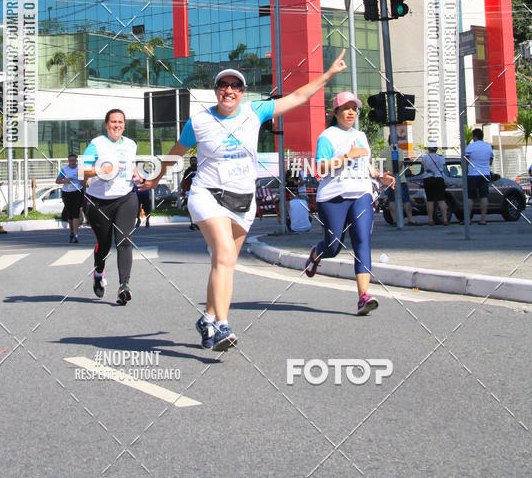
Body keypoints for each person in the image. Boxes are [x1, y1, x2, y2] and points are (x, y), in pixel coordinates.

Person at [145, 50, 349, 352]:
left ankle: (208, 317)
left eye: (235, 86)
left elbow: (297, 98)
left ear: (242, 92)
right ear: (216, 91)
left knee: (223, 262)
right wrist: (157, 177)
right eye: (223, 86)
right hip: (207, 194)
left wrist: (329, 74)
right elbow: (176, 151)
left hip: (243, 200)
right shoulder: (199, 122)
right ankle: (223, 326)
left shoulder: (255, 111)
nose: (229, 91)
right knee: (225, 254)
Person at [304, 91, 395, 316]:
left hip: (361, 194)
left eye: (354, 108)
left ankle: (363, 296)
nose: (351, 112)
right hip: (333, 196)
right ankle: (316, 254)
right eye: (346, 108)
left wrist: (378, 175)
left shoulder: (361, 136)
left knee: (362, 241)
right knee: (333, 246)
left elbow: (365, 164)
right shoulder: (327, 136)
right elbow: (321, 168)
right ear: (336, 112)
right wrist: (347, 157)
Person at [82, 109, 139, 305]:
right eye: (113, 122)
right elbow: (82, 170)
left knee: (123, 241)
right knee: (104, 245)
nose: (117, 125)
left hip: (125, 198)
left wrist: (137, 175)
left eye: (120, 122)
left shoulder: (131, 145)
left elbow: (132, 167)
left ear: (124, 125)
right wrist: (101, 170)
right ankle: (98, 272)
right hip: (99, 202)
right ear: (106, 125)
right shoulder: (97, 144)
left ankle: (124, 286)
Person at [465, 128, 493, 225]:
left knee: (470, 197)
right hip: (485, 174)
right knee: (484, 196)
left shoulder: (470, 147)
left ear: (474, 136)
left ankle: (468, 219)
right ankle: (483, 219)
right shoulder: (488, 147)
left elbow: (466, 161)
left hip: (473, 175)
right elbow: (490, 162)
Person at [56, 153, 83, 242]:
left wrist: (82, 180)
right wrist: (65, 180)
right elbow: (57, 181)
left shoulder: (80, 169)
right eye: (70, 161)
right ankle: (72, 231)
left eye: (74, 161)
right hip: (67, 193)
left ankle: (75, 234)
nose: (72, 162)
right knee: (70, 214)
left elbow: (84, 182)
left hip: (77, 191)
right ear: (68, 161)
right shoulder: (64, 169)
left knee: (76, 212)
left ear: (76, 161)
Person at [421, 143, 449, 225]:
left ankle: (430, 220)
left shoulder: (425, 157)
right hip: (439, 178)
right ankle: (445, 219)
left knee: (430, 200)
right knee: (441, 200)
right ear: (436, 149)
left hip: (428, 178)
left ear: (428, 149)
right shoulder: (441, 157)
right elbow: (443, 165)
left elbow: (423, 167)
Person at [180, 155, 198, 230]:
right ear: (190, 162)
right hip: (189, 191)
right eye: (192, 161)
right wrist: (182, 190)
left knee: (197, 207)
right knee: (186, 206)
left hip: (198, 191)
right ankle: (193, 222)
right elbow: (184, 181)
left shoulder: (200, 169)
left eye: (194, 160)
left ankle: (196, 222)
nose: (193, 162)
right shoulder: (187, 171)